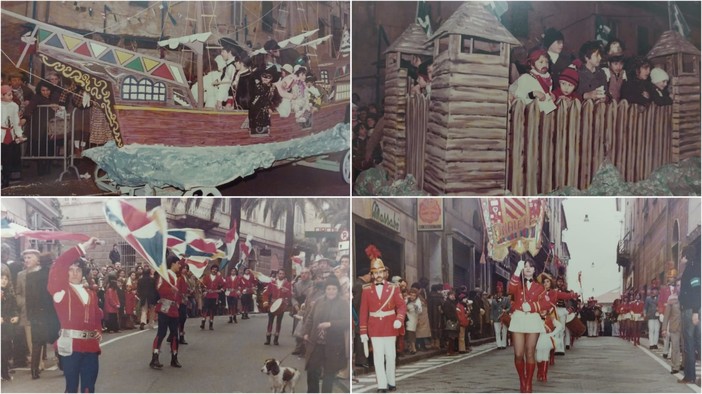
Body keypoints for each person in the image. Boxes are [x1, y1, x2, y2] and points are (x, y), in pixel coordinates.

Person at [47, 237, 103, 393]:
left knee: (88, 388)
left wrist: (98, 330)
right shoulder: (61, 291)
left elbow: (97, 316)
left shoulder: (91, 293)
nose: (74, 273)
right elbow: (59, 264)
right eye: (70, 269)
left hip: (91, 346)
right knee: (71, 388)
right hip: (71, 346)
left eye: (78, 270)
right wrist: (84, 246)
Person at [359, 245, 406, 393]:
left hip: (390, 325)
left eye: (381, 272)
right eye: (375, 273)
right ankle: (382, 384)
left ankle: (391, 381)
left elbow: (402, 306)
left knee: (390, 356)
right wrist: (363, 332)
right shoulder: (366, 290)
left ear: (385, 273)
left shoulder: (394, 287)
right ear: (372, 274)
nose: (378, 275)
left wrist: (399, 318)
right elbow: (363, 312)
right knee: (378, 357)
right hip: (374, 327)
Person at [508, 254, 550, 393]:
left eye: (530, 266)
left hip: (532, 320)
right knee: (519, 354)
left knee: (530, 352)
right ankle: (522, 379)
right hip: (519, 319)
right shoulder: (518, 285)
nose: (527, 268)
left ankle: (528, 384)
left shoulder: (540, 287)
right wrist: (516, 270)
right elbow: (510, 289)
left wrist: (531, 307)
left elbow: (546, 303)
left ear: (534, 270)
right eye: (525, 266)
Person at [303, 276, 349, 393]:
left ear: (338, 290)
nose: (331, 291)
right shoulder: (319, 301)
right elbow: (310, 318)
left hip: (333, 345)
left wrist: (330, 324)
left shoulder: (343, 303)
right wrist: (306, 333)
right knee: (312, 371)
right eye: (329, 289)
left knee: (329, 374)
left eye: (334, 289)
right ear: (325, 290)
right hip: (316, 343)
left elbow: (347, 321)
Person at [149, 256, 185, 369]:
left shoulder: (177, 277)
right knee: (161, 333)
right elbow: (159, 288)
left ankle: (174, 358)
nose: (179, 265)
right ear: (172, 264)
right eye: (178, 263)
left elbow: (179, 294)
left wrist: (178, 302)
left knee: (175, 334)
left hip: (174, 309)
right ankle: (154, 358)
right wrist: (170, 290)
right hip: (164, 308)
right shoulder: (164, 275)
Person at [678, 243, 700, 385]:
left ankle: (690, 376)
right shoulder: (694, 267)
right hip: (692, 309)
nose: (680, 259)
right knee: (695, 343)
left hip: (690, 310)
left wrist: (695, 312)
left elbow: (697, 291)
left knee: (689, 344)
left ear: (685, 256)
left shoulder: (691, 269)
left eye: (681, 255)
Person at [1, 84, 26, 188]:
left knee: (8, 159)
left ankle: (6, 180)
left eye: (11, 94)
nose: (11, 97)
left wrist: (19, 134)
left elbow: (16, 122)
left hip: (9, 136)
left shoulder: (14, 105)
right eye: (8, 95)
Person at [262, 269, 292, 345]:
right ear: (277, 274)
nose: (281, 275)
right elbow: (266, 293)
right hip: (272, 304)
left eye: (282, 274)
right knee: (270, 322)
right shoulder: (272, 283)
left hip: (281, 306)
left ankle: (276, 339)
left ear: (284, 275)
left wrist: (287, 292)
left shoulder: (287, 284)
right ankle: (268, 338)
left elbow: (290, 296)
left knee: (279, 322)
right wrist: (265, 302)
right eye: (280, 273)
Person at [535, 310, 563, 383]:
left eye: (544, 309)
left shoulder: (550, 318)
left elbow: (560, 326)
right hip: (538, 339)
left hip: (546, 339)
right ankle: (539, 371)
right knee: (538, 358)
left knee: (545, 356)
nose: (542, 311)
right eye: (541, 309)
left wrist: (552, 333)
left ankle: (544, 375)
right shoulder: (535, 318)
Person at [1, 271, 19, 381]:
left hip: (6, 326)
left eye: (6, 279)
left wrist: (16, 316)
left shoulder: (9, 295)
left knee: (5, 350)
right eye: (1, 278)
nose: (3, 281)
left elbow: (14, 309)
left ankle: (4, 372)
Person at [662, 279, 682, 374]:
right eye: (678, 285)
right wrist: (664, 328)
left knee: (686, 347)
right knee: (675, 347)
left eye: (681, 285)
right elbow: (666, 315)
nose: (679, 287)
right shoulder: (671, 298)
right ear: (675, 287)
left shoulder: (687, 297)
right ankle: (675, 366)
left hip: (685, 326)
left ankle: (684, 365)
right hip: (674, 326)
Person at [201, 264, 224, 330]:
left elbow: (224, 285)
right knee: (205, 309)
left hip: (214, 296)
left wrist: (221, 290)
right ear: (211, 270)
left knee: (212, 310)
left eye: (216, 270)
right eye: (213, 269)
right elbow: (203, 285)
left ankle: (211, 323)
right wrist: (205, 290)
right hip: (207, 295)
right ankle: (203, 322)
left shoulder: (219, 278)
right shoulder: (206, 277)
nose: (214, 271)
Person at [491, 281, 511, 350]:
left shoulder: (506, 299)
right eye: (498, 292)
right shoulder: (493, 301)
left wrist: (506, 310)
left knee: (504, 331)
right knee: (497, 332)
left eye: (501, 292)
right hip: (496, 318)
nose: (499, 293)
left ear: (502, 292)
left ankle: (503, 344)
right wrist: (491, 318)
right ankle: (498, 345)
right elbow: (492, 310)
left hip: (504, 317)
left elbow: (509, 307)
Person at [405, 288, 422, 355]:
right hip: (406, 317)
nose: (412, 297)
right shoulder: (407, 300)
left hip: (413, 317)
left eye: (414, 295)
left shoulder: (417, 301)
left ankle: (413, 347)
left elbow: (419, 311)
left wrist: (415, 306)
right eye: (411, 295)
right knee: (408, 332)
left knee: (411, 332)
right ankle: (410, 347)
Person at [645, 282, 661, 349]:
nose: (655, 291)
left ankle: (655, 343)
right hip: (651, 316)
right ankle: (651, 344)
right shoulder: (648, 298)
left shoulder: (660, 298)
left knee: (657, 330)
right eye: (653, 290)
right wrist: (645, 314)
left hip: (658, 316)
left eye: (656, 290)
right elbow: (646, 307)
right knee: (651, 330)